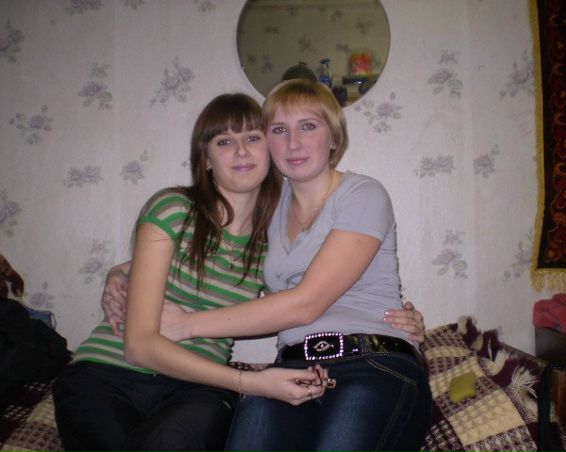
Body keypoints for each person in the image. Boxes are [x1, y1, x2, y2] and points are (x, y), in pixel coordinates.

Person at [108, 79, 432, 452]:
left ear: (333, 137)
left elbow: (306, 303)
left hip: (372, 362)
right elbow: (203, 253)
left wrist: (187, 324)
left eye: (308, 126)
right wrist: (119, 273)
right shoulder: (267, 211)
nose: (293, 142)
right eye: (279, 130)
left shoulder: (363, 194)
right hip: (290, 370)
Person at [52, 93, 330, 452]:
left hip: (197, 390)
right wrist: (251, 382)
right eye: (224, 141)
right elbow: (139, 347)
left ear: (270, 150)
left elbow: (306, 302)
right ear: (206, 158)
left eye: (253, 137)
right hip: (107, 373)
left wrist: (391, 318)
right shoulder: (174, 209)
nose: (241, 151)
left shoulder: (274, 240)